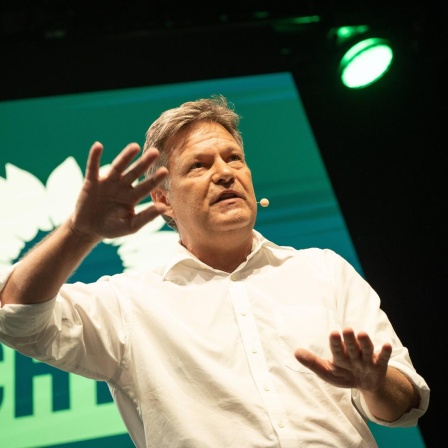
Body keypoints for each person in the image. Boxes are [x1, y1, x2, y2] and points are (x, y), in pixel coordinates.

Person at [0, 95, 429, 447]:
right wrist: (79, 232)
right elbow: (16, 316)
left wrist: (375, 382)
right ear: (163, 201)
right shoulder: (129, 303)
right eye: (199, 165)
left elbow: (406, 405)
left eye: (234, 158)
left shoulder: (324, 271)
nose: (225, 173)